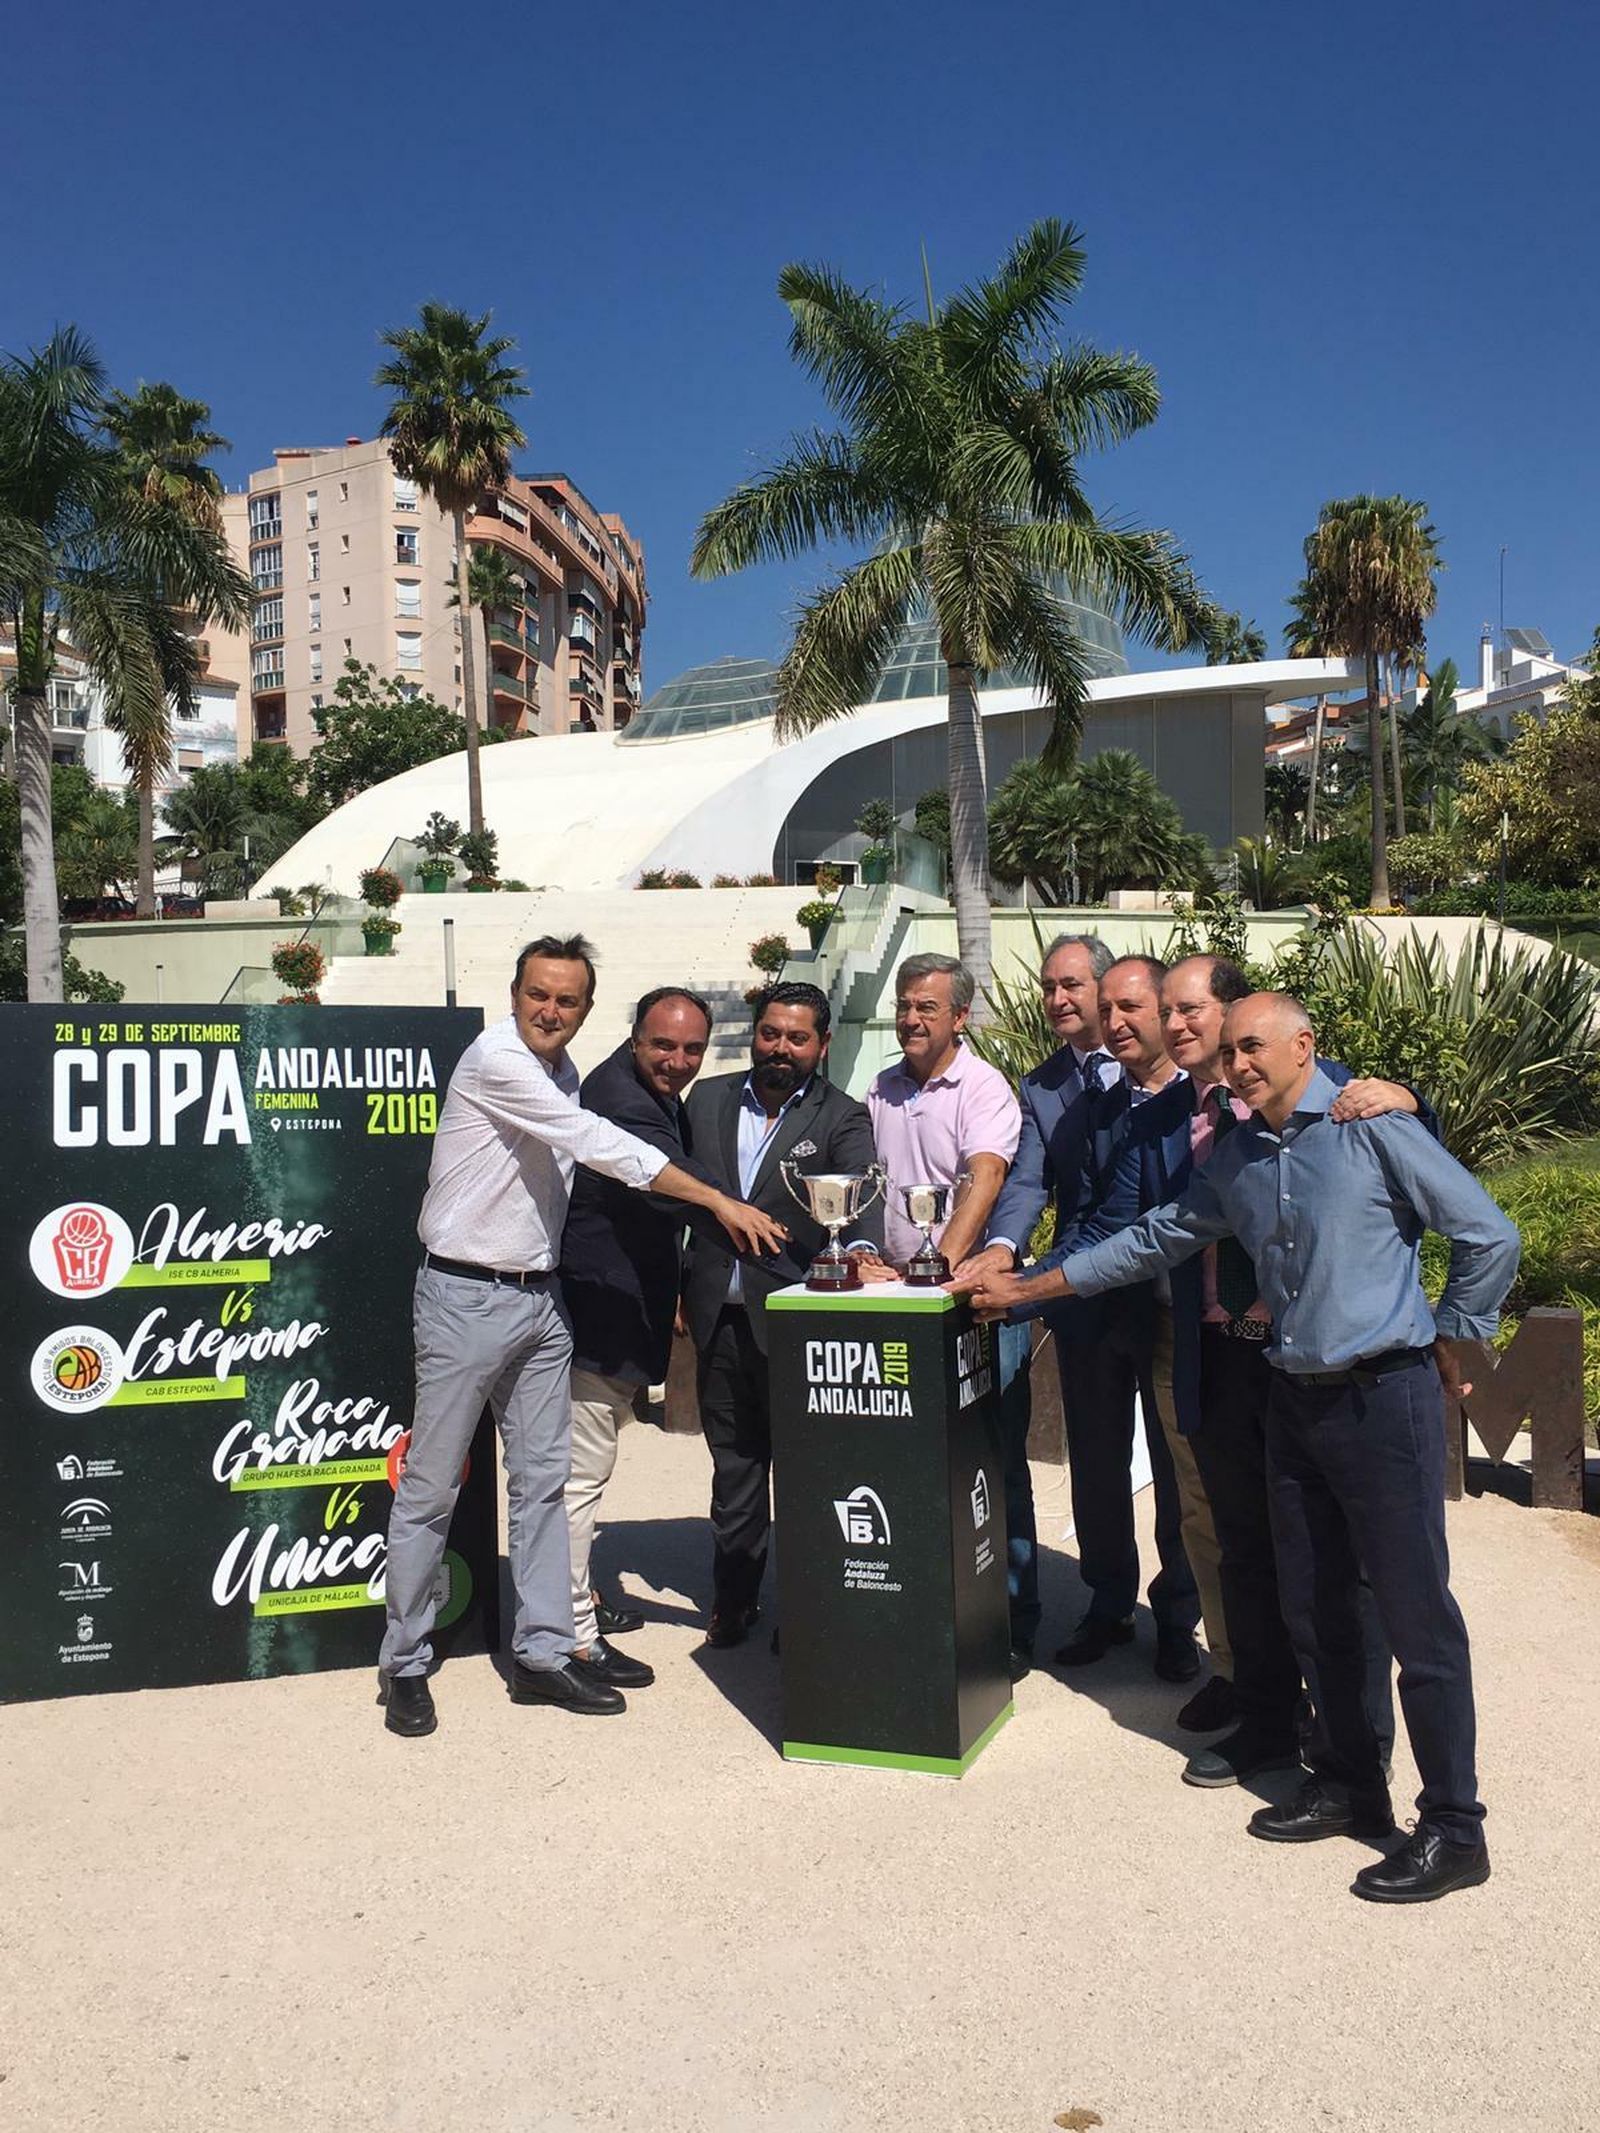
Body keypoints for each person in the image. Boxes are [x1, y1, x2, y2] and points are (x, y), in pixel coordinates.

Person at [958, 992, 1520, 1905]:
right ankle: (1349, 1783)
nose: (1241, 1063)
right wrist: (1031, 1288)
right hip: (1295, 1400)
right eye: (1232, 1052)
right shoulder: (1240, 1154)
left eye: (1255, 1045)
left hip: (1386, 1399)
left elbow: (1489, 1232)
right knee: (1315, 1605)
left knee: (1418, 1619)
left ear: (1305, 1045)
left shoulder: (1371, 1126)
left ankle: (1455, 1827)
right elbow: (1155, 1236)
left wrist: (1455, 1330)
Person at [379, 937, 786, 1738]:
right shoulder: (500, 1061)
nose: (550, 1010)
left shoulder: (564, 1070)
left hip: (541, 1300)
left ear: (586, 1009)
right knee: (431, 1488)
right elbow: (602, 1146)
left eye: (567, 999)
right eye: (539, 993)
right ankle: (405, 1660)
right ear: (515, 992)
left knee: (543, 1486)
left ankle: (543, 1652)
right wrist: (717, 1202)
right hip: (465, 1294)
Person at [1081, 955, 1425, 1780]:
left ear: (1237, 1015)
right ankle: (1265, 1714)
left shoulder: (1326, 1094)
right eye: (1168, 1011)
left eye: (1190, 1008)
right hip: (1217, 1352)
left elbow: (1415, 1160)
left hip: (1310, 1358)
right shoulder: (1168, 1117)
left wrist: (1414, 1096)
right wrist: (1025, 1286)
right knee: (1241, 1543)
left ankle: (1354, 1747)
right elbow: (1132, 1230)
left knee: (1336, 1559)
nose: (1174, 1024)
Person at [681, 980, 892, 1646]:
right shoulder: (706, 1099)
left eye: (797, 1038)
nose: (780, 1047)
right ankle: (735, 1600)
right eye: (770, 1033)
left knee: (806, 1473)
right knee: (735, 1469)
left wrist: (861, 1253)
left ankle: (805, 1610)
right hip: (717, 1318)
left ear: (822, 1044)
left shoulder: (842, 1116)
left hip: (798, 1326)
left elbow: (862, 1195)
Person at [953, 933, 1114, 1677]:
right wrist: (1002, 1246)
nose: (1057, 998)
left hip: (1162, 1298)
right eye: (1049, 986)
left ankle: (1181, 1617)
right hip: (1081, 1301)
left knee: (1182, 1474)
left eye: (1072, 984)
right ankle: (1109, 1607)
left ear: (1106, 989)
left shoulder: (1157, 1067)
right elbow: (1026, 1181)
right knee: (1098, 1465)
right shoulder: (1042, 1084)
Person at [557, 985, 724, 1694]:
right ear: (634, 1039)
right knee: (577, 1478)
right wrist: (756, 1221)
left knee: (581, 1474)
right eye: (663, 1045)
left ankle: (572, 1601)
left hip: (616, 1316)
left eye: (691, 1049)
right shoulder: (621, 1100)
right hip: (594, 1321)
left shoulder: (646, 1090)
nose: (678, 1061)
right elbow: (674, 1185)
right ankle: (570, 1634)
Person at [866, 953, 1024, 1667]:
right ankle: (917, 1609)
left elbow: (984, 1178)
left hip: (963, 1301)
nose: (911, 1018)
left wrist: (938, 1276)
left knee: (990, 1459)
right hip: (895, 1297)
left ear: (960, 1016)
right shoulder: (880, 1087)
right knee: (907, 1461)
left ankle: (1011, 1619)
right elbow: (865, 1183)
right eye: (904, 1005)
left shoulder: (983, 1087)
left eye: (926, 1007)